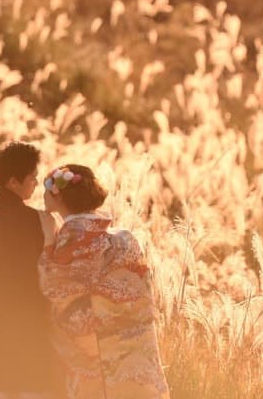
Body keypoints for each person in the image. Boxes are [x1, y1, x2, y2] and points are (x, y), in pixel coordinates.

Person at [38, 164, 171, 399]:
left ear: (58, 197)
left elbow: (54, 284)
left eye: (46, 189)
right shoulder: (124, 238)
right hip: (131, 342)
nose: (42, 195)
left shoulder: (75, 235)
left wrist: (48, 240)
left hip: (96, 348)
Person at [0, 141, 62, 399]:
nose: (36, 181)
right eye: (32, 176)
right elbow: (50, 274)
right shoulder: (39, 220)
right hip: (29, 331)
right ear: (13, 180)